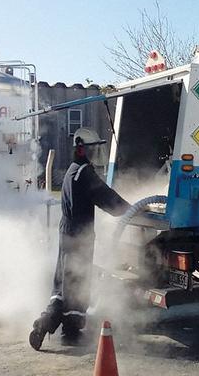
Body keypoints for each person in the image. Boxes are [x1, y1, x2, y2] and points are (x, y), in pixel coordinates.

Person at [29, 128, 131, 350]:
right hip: (79, 235)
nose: (96, 153)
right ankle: (71, 331)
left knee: (62, 283)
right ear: (84, 150)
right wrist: (131, 210)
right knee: (78, 282)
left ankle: (45, 321)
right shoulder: (85, 173)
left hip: (67, 231)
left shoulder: (72, 170)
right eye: (94, 149)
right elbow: (108, 198)